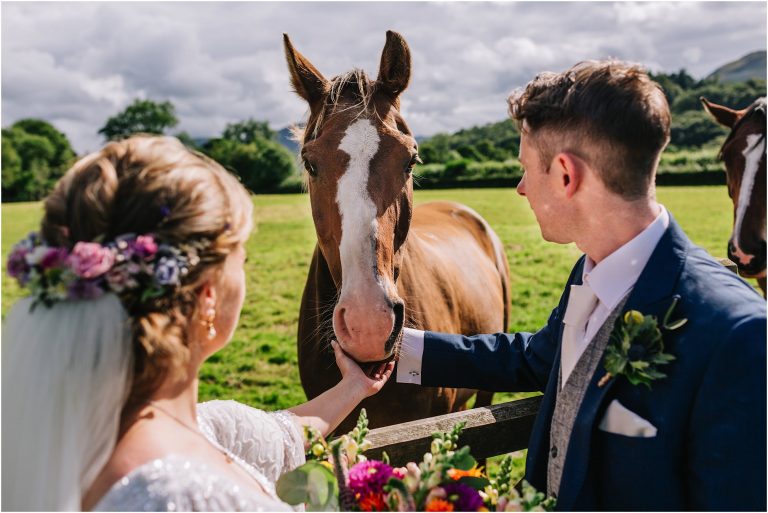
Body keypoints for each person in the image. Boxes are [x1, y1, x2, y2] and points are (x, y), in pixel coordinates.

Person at [395, 60, 766, 510]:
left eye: (527, 168)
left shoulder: (741, 336)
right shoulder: (590, 271)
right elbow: (536, 360)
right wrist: (397, 348)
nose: (520, 188)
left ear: (567, 176)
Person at [1, 135, 394, 511]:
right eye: (242, 259)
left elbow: (283, 432)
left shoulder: (89, 434)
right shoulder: (185, 496)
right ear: (208, 294)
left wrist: (354, 387)